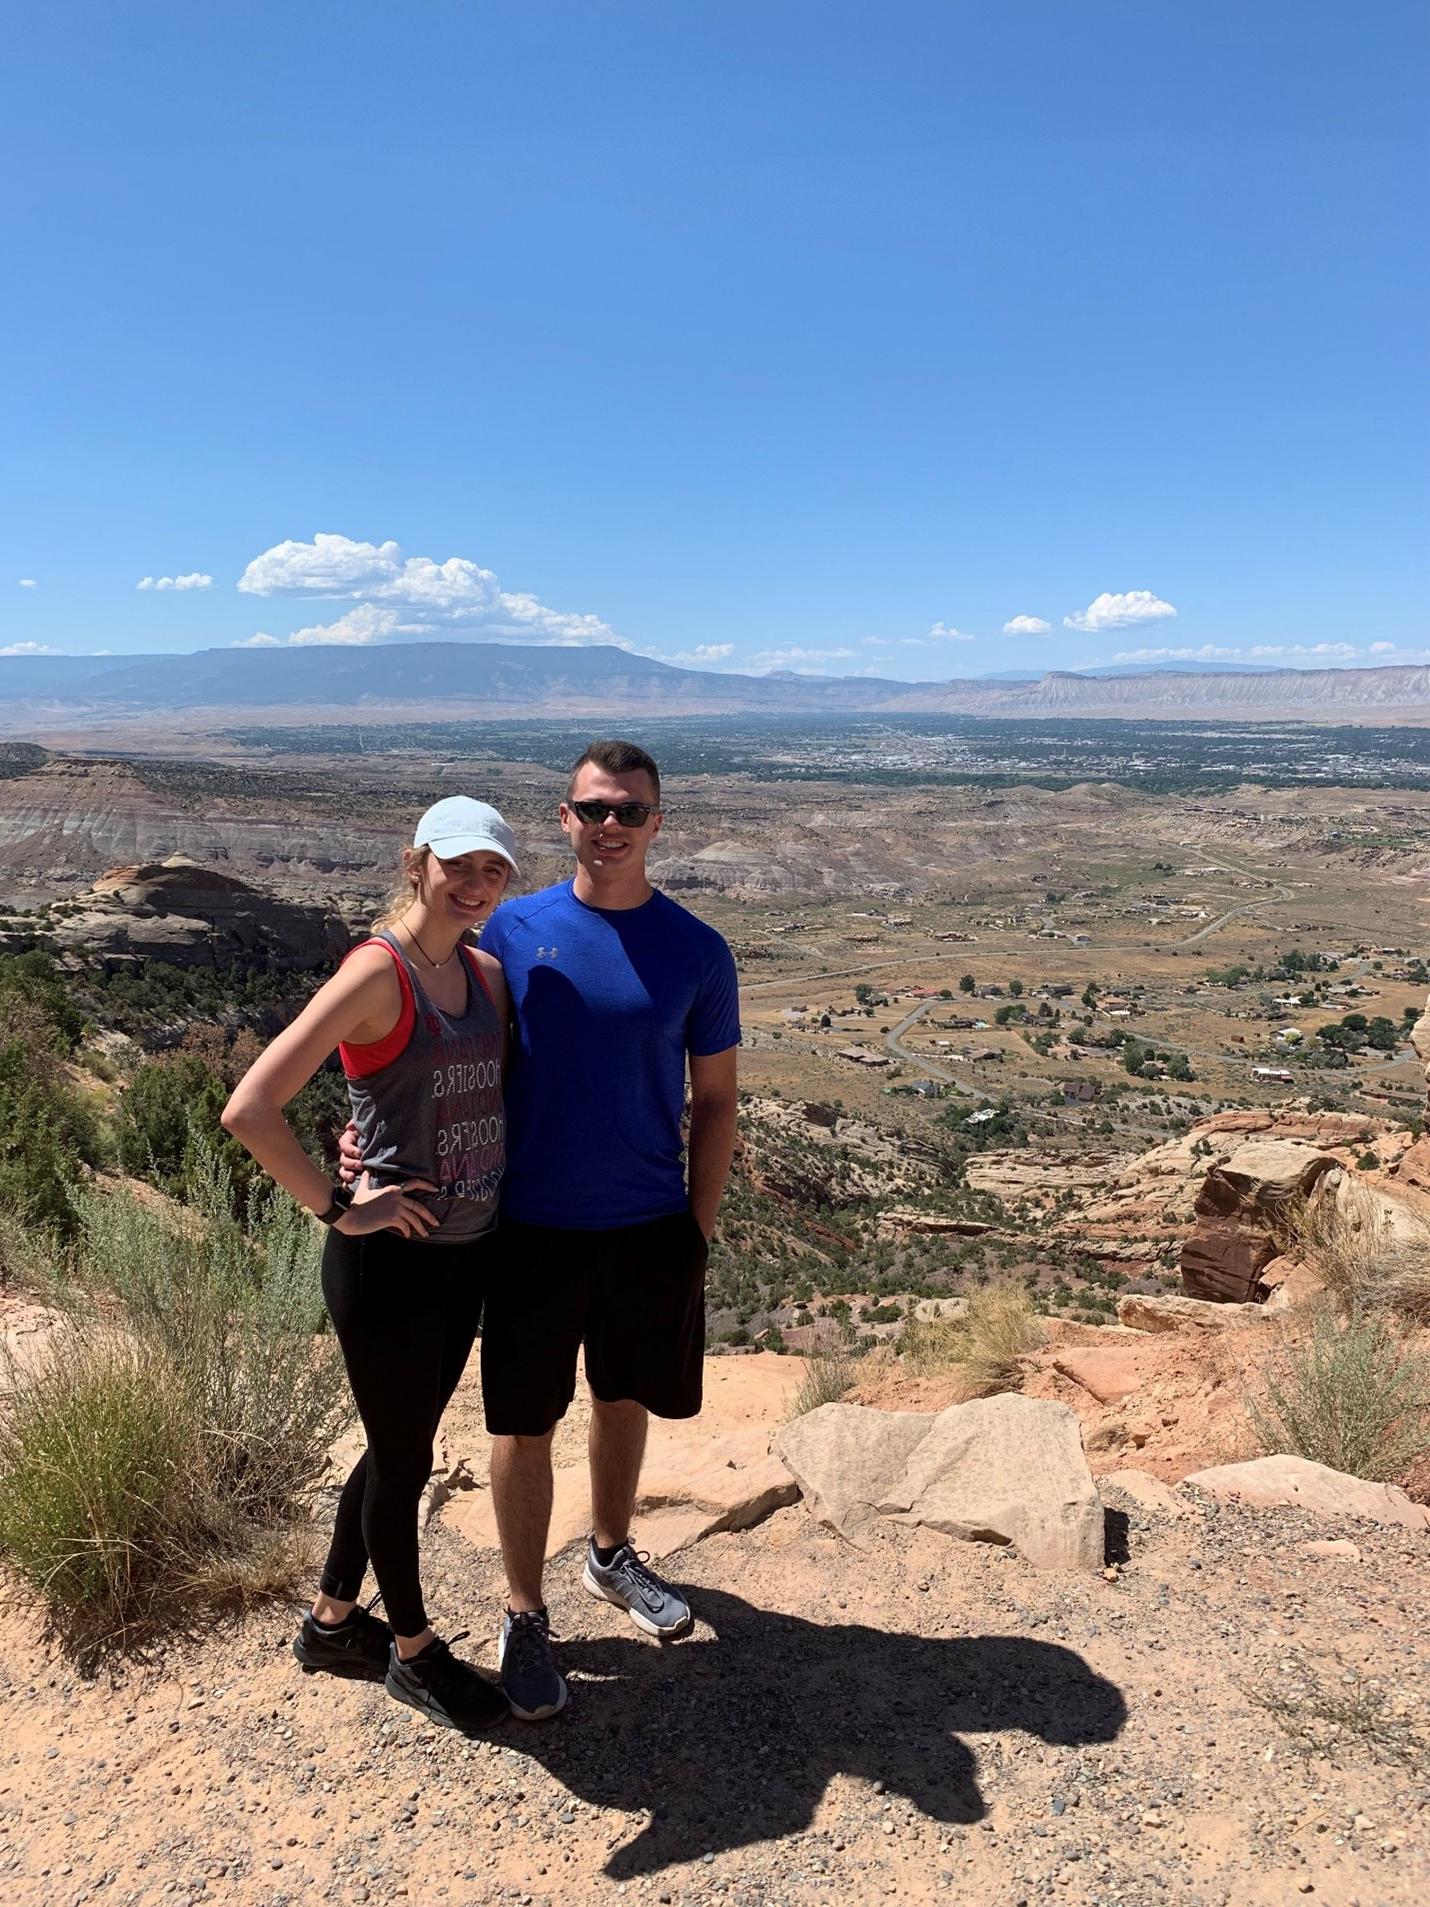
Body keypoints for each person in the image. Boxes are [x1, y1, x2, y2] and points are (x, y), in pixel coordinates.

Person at [221, 795, 520, 1735]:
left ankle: (332, 1622)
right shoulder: (374, 972)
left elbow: (479, 1094)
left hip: (465, 1254)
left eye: (493, 871)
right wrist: (342, 1205)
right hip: (388, 1263)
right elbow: (250, 1106)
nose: (473, 885)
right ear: (415, 862)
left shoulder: (483, 971)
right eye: (458, 866)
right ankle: (417, 1652)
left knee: (400, 1444)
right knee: (405, 1456)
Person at [469, 739, 739, 1720]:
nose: (610, 826)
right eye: (593, 809)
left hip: (644, 1226)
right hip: (530, 1227)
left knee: (621, 1395)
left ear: (657, 823)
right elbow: (446, 1049)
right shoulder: (510, 929)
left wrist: (692, 1229)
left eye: (628, 811)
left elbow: (714, 1102)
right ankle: (523, 1608)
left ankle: (610, 1551)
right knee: (521, 1422)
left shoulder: (697, 950)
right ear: (563, 817)